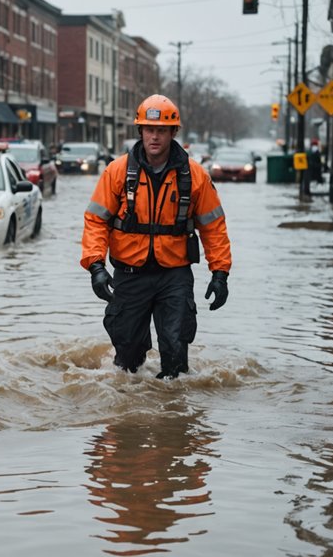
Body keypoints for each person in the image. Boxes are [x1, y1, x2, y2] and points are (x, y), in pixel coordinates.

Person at [80, 94, 232, 379]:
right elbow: (96, 221)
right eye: (149, 129)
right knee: (127, 360)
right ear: (140, 131)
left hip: (174, 276)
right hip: (129, 273)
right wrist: (96, 267)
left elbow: (214, 227)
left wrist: (220, 273)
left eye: (161, 130)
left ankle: (173, 415)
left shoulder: (195, 176)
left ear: (173, 133)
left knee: (175, 354)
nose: (154, 137)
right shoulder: (117, 172)